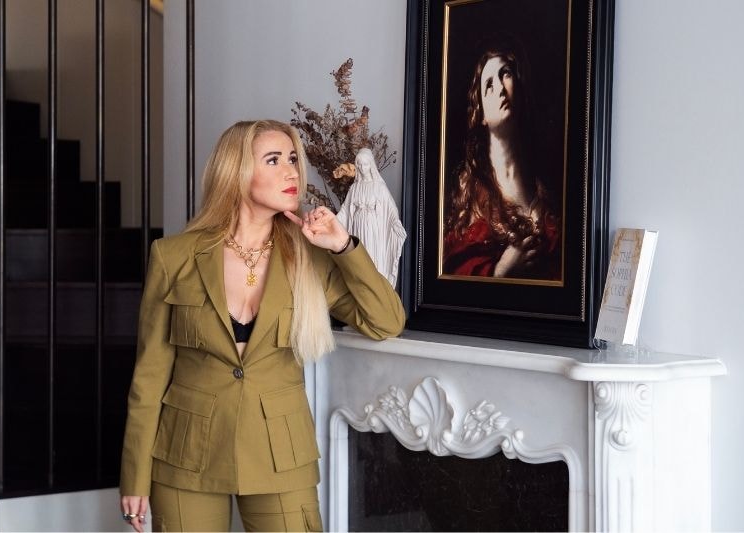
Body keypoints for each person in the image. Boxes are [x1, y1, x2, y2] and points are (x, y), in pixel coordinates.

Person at [119, 119, 405, 532]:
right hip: (185, 453)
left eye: (293, 159)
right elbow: (149, 377)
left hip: (280, 453)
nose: (291, 172)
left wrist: (343, 246)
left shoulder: (310, 257)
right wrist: (134, 475)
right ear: (235, 171)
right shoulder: (174, 256)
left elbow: (386, 322)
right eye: (273, 160)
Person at [443, 38, 561, 280]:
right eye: (488, 84)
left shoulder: (549, 187)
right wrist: (501, 271)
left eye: (505, 74)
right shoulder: (471, 197)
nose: (498, 88)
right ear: (482, 115)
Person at [336, 148, 407, 286]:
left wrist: (395, 223)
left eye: (365, 164)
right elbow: (345, 210)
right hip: (357, 226)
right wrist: (333, 222)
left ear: (371, 165)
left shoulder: (379, 187)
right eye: (360, 165)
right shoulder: (355, 188)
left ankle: (374, 286)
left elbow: (390, 208)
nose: (362, 168)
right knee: (358, 257)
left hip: (373, 228)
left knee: (372, 255)